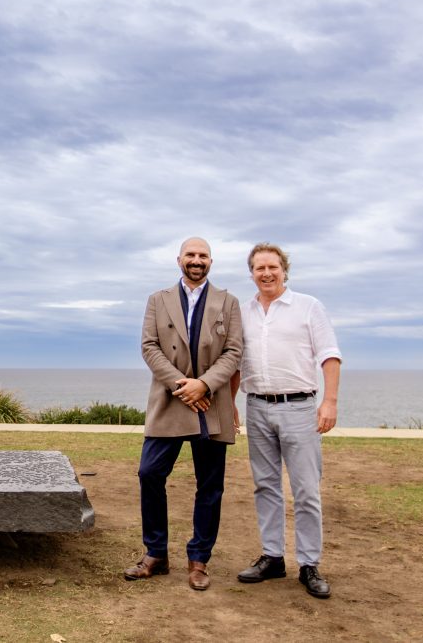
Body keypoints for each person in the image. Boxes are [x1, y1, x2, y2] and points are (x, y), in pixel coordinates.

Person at [124, 237, 243, 591]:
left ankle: (199, 559)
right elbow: (149, 346)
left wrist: (203, 385)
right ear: (179, 260)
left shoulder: (229, 302)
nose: (196, 260)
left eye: (202, 255)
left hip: (211, 403)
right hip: (170, 400)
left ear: (211, 261)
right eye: (190, 255)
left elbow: (235, 351)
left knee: (210, 486)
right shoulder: (157, 300)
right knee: (149, 473)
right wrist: (183, 386)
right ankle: (155, 554)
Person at [235, 242, 341, 599]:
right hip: (257, 407)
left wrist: (329, 402)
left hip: (299, 407)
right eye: (259, 268)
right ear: (251, 272)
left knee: (306, 489)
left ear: (284, 270)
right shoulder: (243, 311)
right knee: (265, 485)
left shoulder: (309, 307)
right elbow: (236, 360)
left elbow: (329, 356)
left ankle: (309, 563)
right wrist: (233, 404)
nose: (266, 273)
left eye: (273, 267)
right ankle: (272, 557)